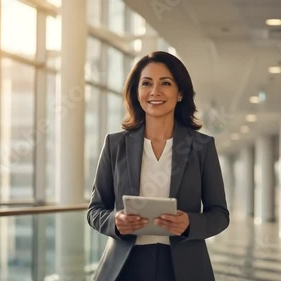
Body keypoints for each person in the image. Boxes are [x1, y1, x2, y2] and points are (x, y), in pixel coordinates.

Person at [87, 51, 230, 281]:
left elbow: (220, 215)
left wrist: (189, 223)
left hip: (182, 268)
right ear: (136, 92)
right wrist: (116, 221)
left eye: (165, 83)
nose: (155, 92)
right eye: (146, 83)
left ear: (180, 92)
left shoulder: (202, 146)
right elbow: (95, 210)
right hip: (125, 267)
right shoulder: (115, 145)